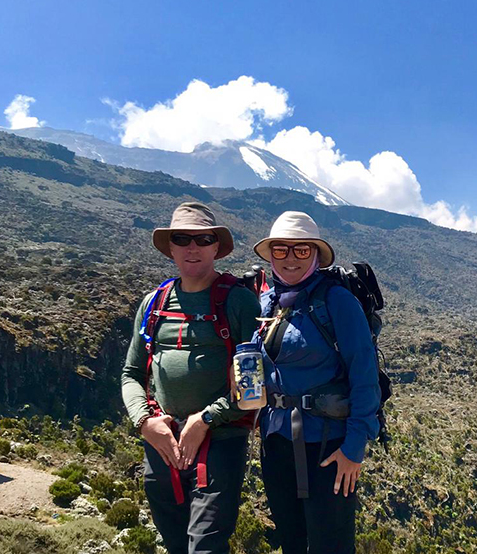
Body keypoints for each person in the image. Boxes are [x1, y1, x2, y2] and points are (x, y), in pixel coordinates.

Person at [121, 202, 261, 554]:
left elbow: (254, 384)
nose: (192, 247)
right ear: (170, 247)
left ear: (217, 246)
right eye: (182, 239)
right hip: (162, 445)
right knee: (175, 545)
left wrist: (206, 419)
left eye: (203, 239)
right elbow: (131, 373)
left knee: (205, 548)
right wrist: (144, 422)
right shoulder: (153, 303)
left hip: (219, 443)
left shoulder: (239, 303)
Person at [253, 211, 381, 554]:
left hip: (328, 446)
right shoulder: (266, 302)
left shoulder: (337, 302)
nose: (290, 258)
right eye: (281, 249)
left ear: (315, 254)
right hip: (276, 443)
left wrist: (355, 447)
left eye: (301, 250)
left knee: (331, 545)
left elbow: (364, 375)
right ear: (270, 254)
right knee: (292, 542)